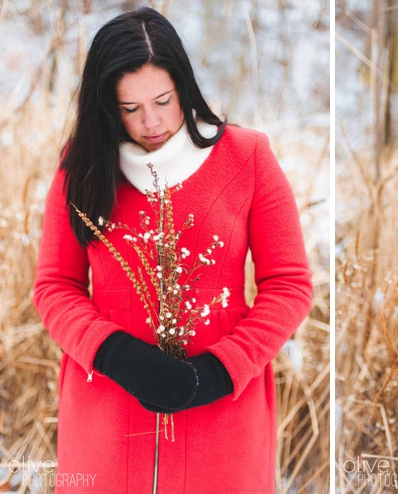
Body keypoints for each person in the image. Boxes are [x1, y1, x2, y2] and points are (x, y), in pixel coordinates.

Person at [31, 7, 312, 492]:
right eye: (129, 108)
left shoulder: (246, 157)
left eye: (163, 99)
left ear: (184, 84)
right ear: (106, 106)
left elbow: (289, 285)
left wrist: (220, 371)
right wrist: (117, 355)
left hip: (223, 415)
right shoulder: (82, 165)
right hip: (107, 414)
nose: (151, 121)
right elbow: (55, 286)